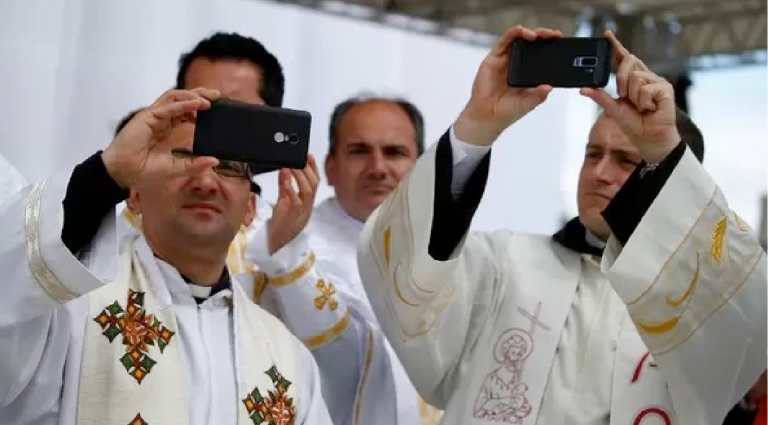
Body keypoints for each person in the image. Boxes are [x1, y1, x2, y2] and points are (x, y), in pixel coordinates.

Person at [358, 24, 768, 425]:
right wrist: (477, 127)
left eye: (625, 160)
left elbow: (751, 324)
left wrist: (663, 147)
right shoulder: (504, 262)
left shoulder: (693, 300)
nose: (599, 173)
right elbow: (408, 272)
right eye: (593, 154)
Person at [0, 88, 332, 425]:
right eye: (184, 159)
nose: (206, 181)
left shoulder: (288, 361)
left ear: (250, 209)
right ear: (134, 196)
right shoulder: (66, 310)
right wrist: (105, 173)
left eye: (228, 167)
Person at [117, 33, 401, 425]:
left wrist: (284, 258)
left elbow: (353, 367)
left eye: (232, 110)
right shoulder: (135, 207)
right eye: (200, 104)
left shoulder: (301, 238)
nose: (212, 122)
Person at [307, 94, 442, 425]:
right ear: (330, 167)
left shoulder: (453, 255)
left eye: (394, 152)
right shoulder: (292, 252)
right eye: (359, 151)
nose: (378, 168)